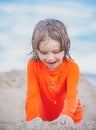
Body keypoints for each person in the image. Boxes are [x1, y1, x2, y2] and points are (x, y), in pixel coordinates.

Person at [25, 18, 83, 127]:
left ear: (65, 48)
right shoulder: (33, 65)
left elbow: (72, 95)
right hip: (45, 118)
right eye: (43, 52)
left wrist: (67, 114)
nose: (50, 58)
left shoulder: (72, 68)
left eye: (56, 52)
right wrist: (31, 121)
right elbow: (32, 96)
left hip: (71, 118)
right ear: (35, 50)